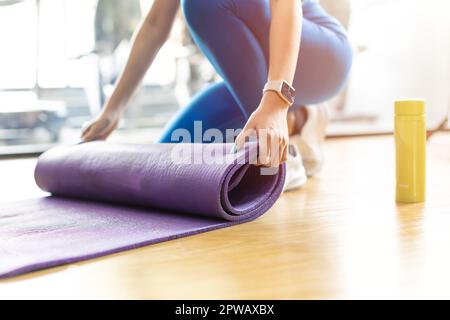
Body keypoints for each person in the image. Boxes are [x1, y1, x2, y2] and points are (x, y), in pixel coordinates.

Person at [81, 0, 353, 191]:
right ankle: (302, 120)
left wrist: (276, 103)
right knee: (168, 159)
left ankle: (284, 155)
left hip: (322, 54)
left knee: (202, 2)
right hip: (263, 79)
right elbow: (154, 24)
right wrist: (112, 110)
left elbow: (285, 3)